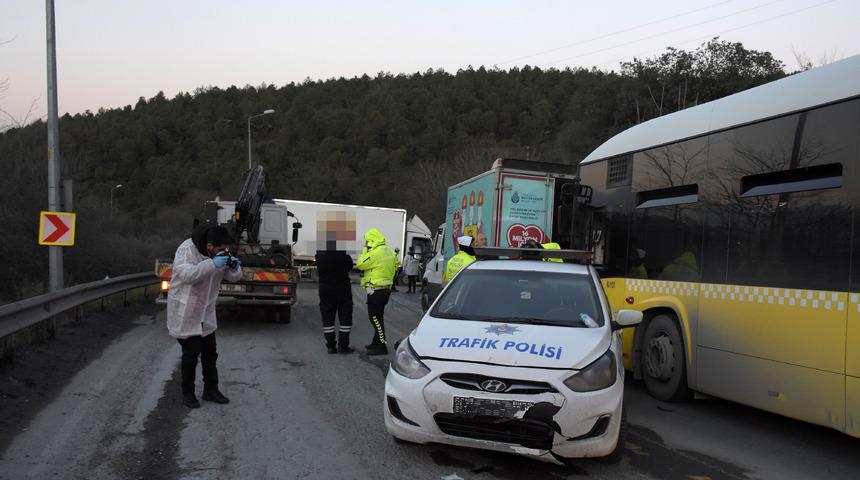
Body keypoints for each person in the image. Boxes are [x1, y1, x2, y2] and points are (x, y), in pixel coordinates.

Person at [167, 225, 242, 408]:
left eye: (226, 248)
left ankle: (211, 390)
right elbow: (187, 275)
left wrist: (234, 267)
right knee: (191, 355)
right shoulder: (187, 249)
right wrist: (212, 264)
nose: (224, 251)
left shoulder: (219, 254)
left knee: (210, 353)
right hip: (186, 310)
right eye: (221, 248)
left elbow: (235, 278)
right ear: (209, 246)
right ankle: (188, 393)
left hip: (206, 312)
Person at [356, 228, 397, 355]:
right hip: (385, 289)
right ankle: (376, 342)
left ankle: (382, 345)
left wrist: (365, 250)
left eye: (367, 241)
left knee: (375, 318)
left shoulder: (375, 252)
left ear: (372, 240)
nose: (365, 243)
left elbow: (360, 264)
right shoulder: (389, 250)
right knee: (378, 316)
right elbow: (397, 264)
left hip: (376, 290)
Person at [316, 249, 355, 354]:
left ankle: (330, 346)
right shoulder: (344, 256)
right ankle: (343, 346)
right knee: (345, 318)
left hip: (325, 289)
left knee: (327, 318)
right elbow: (350, 267)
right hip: (342, 289)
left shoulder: (319, 255)